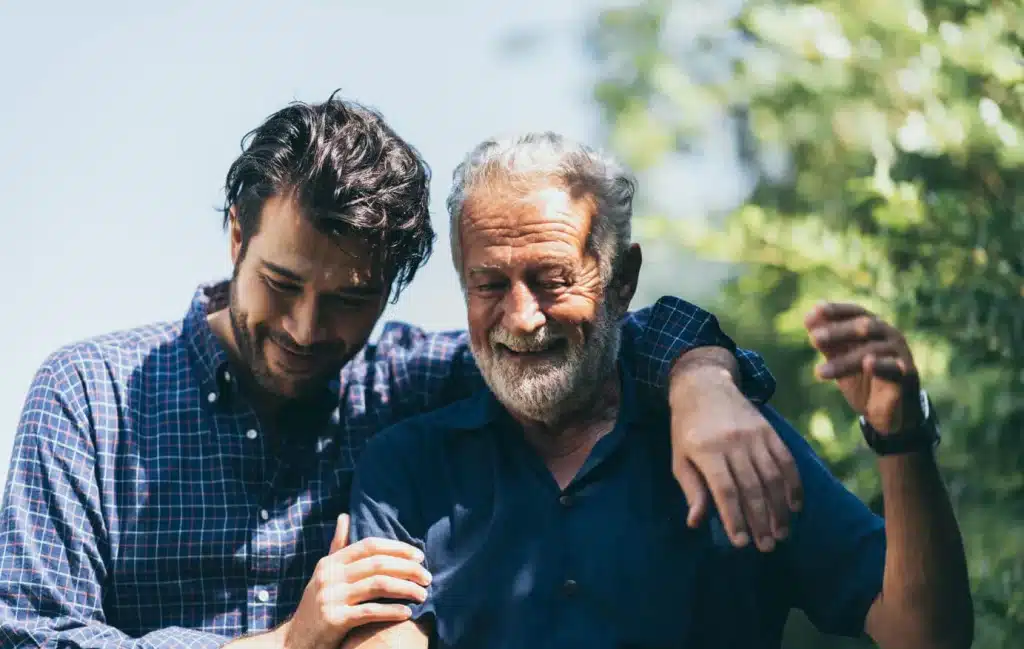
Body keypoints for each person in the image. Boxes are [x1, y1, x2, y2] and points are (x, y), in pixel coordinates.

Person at [0, 96, 799, 649]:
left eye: (349, 299)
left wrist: (703, 379)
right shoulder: (86, 397)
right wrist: (288, 640)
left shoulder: (408, 384)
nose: (308, 329)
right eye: (282, 284)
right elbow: (32, 635)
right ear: (235, 235)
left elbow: (589, 332)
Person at [344, 132, 974, 649]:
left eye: (552, 280)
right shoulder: (408, 466)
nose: (522, 316)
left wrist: (902, 435)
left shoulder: (736, 438)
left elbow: (927, 635)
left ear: (622, 280)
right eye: (488, 284)